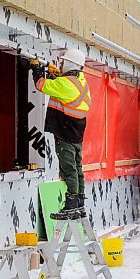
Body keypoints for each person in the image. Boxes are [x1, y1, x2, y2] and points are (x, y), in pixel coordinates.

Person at [30, 48, 91, 219]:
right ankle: (79, 201)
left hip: (65, 132)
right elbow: (62, 90)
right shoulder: (80, 82)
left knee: (68, 168)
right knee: (77, 167)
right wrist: (55, 75)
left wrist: (36, 69)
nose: (61, 64)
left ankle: (71, 203)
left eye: (63, 62)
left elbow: (41, 85)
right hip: (76, 133)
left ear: (70, 64)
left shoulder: (66, 84)